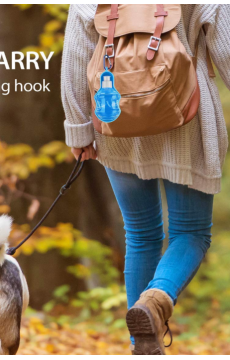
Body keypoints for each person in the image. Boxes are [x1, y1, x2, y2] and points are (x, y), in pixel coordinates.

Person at [61, 4, 230, 355]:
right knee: (191, 232)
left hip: (115, 118)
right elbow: (226, 49)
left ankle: (142, 345)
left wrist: (78, 131)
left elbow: (76, 56)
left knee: (140, 233)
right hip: (186, 114)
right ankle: (156, 300)